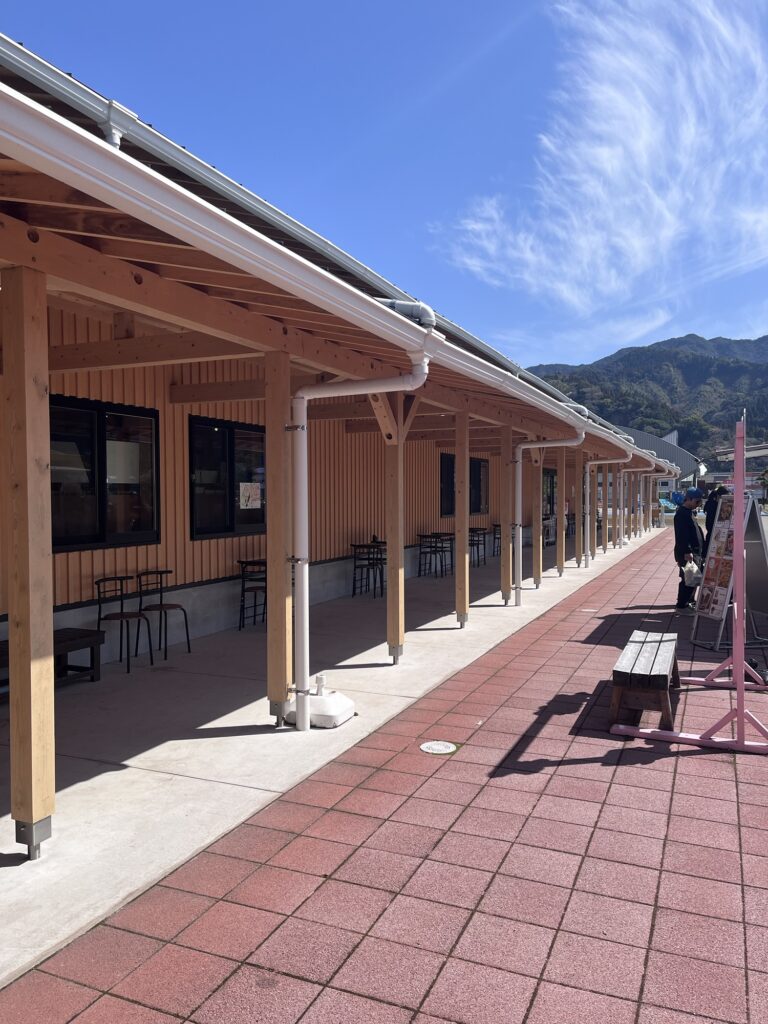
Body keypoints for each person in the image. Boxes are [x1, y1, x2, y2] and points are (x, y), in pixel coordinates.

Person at [673, 487, 705, 613]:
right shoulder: (682, 514)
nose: (698, 504)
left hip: (693, 552)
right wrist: (687, 551)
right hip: (687, 553)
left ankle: (686, 602)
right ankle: (681, 606)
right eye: (697, 501)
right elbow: (681, 535)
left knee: (692, 579)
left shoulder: (688, 512)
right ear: (689, 499)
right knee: (689, 580)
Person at [703, 485, 729, 556]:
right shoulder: (713, 505)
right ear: (719, 496)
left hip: (713, 534)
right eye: (725, 497)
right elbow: (709, 523)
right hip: (713, 535)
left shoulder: (715, 504)